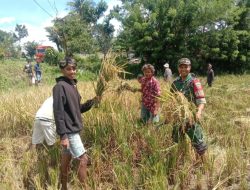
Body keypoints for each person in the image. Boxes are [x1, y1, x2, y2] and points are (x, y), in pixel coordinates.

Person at [53, 57, 99, 190]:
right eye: (68, 69)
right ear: (62, 70)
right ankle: (85, 187)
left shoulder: (72, 85)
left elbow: (77, 109)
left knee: (66, 158)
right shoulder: (60, 87)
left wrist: (92, 101)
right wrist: (63, 135)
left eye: (73, 68)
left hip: (72, 129)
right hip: (69, 131)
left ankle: (63, 187)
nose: (72, 71)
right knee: (83, 159)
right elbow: (58, 112)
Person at [170, 58, 207, 157]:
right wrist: (169, 115)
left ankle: (202, 164)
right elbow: (171, 101)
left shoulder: (194, 82)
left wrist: (198, 112)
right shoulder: (175, 83)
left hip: (191, 117)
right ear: (178, 68)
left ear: (189, 68)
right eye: (181, 67)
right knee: (176, 140)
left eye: (186, 67)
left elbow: (201, 100)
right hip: (178, 118)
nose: (183, 69)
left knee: (198, 143)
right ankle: (181, 159)